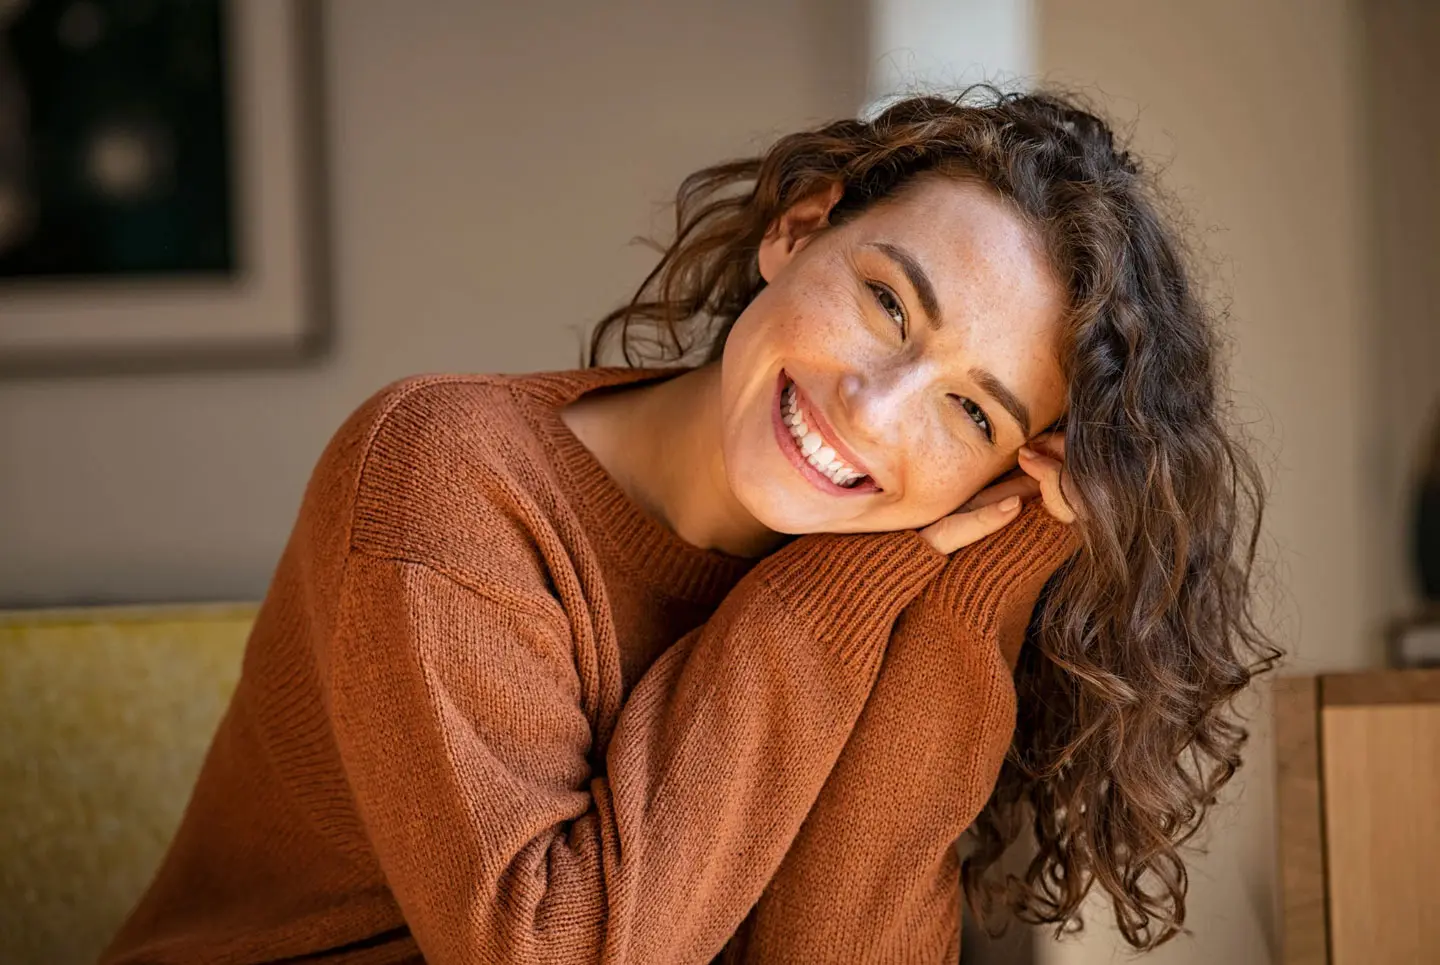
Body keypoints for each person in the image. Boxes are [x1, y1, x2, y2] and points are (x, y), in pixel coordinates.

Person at [100, 86, 1278, 964]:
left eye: (971, 410)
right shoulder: (445, 473)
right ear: (798, 228)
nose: (871, 411)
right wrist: (840, 587)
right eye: (883, 302)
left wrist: (983, 578)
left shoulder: (894, 572)